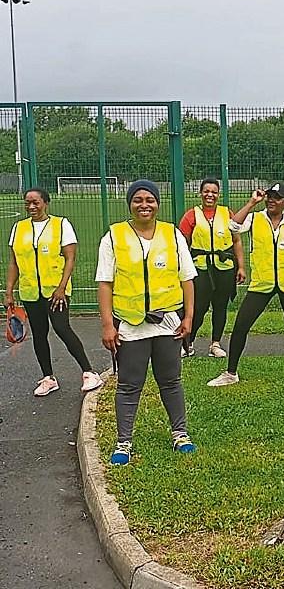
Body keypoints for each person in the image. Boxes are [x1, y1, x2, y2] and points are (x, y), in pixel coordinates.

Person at [96, 179, 197, 465]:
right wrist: (107, 325)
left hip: (168, 322)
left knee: (171, 381)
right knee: (129, 384)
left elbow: (187, 278)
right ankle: (124, 442)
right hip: (130, 324)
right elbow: (105, 283)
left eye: (149, 200)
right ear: (130, 204)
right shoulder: (114, 237)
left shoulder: (172, 235)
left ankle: (180, 434)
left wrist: (188, 317)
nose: (144, 205)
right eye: (138, 199)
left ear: (157, 204)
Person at [207, 183, 284, 387]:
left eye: (277, 197)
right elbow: (233, 226)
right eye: (269, 196)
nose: (272, 200)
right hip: (261, 284)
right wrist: (252, 203)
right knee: (241, 326)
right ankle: (231, 373)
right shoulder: (255, 219)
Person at [5, 188, 103, 396]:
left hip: (56, 291)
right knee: (39, 334)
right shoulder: (18, 228)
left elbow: (70, 258)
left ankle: (89, 372)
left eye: (36, 202)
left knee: (61, 327)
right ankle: (48, 378)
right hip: (31, 292)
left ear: (45, 203)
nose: (31, 207)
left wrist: (61, 287)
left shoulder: (61, 225)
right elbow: (14, 262)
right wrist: (9, 292)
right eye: (28, 203)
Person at [178, 178, 245, 358]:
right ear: (200, 193)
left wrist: (241, 267)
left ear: (218, 194)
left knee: (220, 307)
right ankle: (188, 343)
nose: (210, 195)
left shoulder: (227, 213)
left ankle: (215, 344)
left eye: (214, 192)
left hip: (224, 268)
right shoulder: (191, 215)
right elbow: (182, 244)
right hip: (200, 268)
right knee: (197, 307)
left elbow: (237, 241)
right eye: (206, 191)